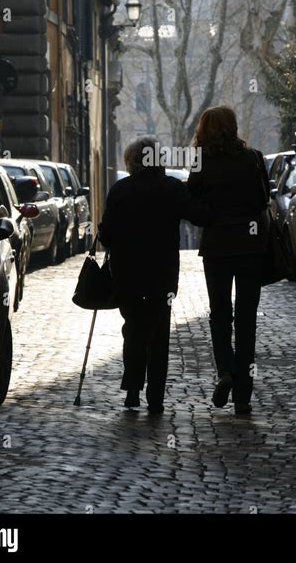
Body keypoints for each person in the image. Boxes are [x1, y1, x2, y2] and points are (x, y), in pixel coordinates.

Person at [98, 136, 213, 415]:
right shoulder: (172, 188)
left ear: (132, 161)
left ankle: (133, 389)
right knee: (159, 332)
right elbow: (198, 215)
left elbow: (106, 235)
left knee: (133, 328)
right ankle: (156, 397)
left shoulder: (120, 190)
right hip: (162, 274)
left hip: (127, 273)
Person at [187, 107, 270, 416]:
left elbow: (191, 203)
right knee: (247, 320)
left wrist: (210, 216)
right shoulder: (253, 158)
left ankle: (225, 369)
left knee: (220, 315)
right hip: (250, 247)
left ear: (204, 130)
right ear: (233, 127)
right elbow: (263, 199)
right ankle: (243, 397)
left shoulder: (200, 161)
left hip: (217, 247)